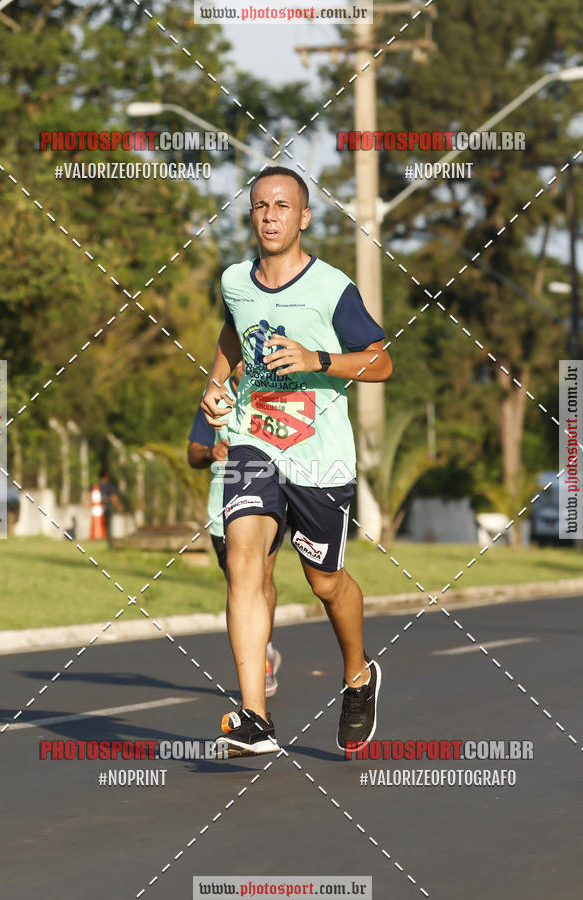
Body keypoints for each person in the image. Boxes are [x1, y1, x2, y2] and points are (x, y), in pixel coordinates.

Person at [201, 165, 392, 757]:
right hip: (255, 442)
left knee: (325, 582)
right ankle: (255, 717)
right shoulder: (235, 280)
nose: (271, 215)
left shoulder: (332, 288)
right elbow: (232, 337)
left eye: (283, 206)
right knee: (243, 561)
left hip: (319, 459)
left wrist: (318, 357)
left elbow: (381, 363)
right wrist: (213, 385)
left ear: (303, 217)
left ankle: (359, 675)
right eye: (261, 205)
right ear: (251, 214)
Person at [188, 361, 283, 698]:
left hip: (268, 500)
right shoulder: (215, 396)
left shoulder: (273, 393)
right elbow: (193, 453)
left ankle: (263, 656)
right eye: (238, 358)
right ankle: (260, 647)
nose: (244, 365)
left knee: (262, 577)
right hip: (222, 509)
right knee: (240, 585)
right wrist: (211, 452)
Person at [99, 472, 122, 547]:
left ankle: (103, 537)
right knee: (107, 525)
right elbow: (113, 498)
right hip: (106, 509)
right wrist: (118, 507)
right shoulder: (109, 487)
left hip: (97, 510)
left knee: (104, 524)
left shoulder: (96, 486)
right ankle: (107, 538)